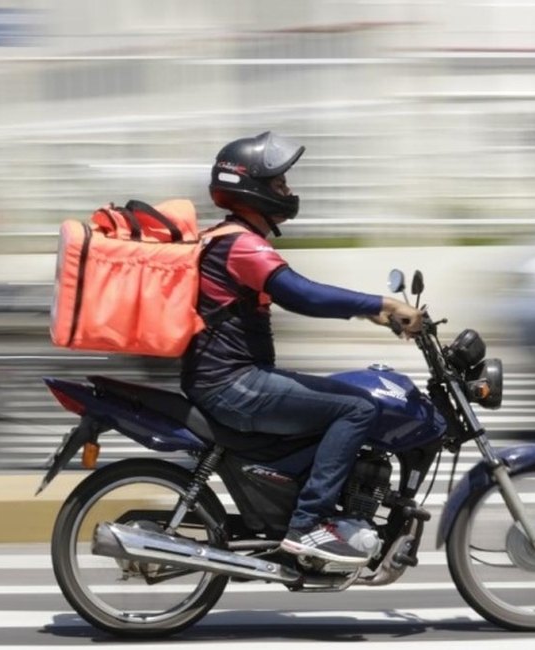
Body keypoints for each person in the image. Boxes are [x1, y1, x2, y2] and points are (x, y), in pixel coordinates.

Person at [181, 131, 423, 566]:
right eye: (279, 183)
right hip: (232, 384)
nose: (288, 192)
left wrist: (371, 314)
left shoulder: (229, 238)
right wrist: (382, 304)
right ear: (252, 188)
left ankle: (306, 506)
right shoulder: (241, 245)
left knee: (335, 403)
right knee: (357, 408)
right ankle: (308, 525)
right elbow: (302, 295)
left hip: (229, 379)